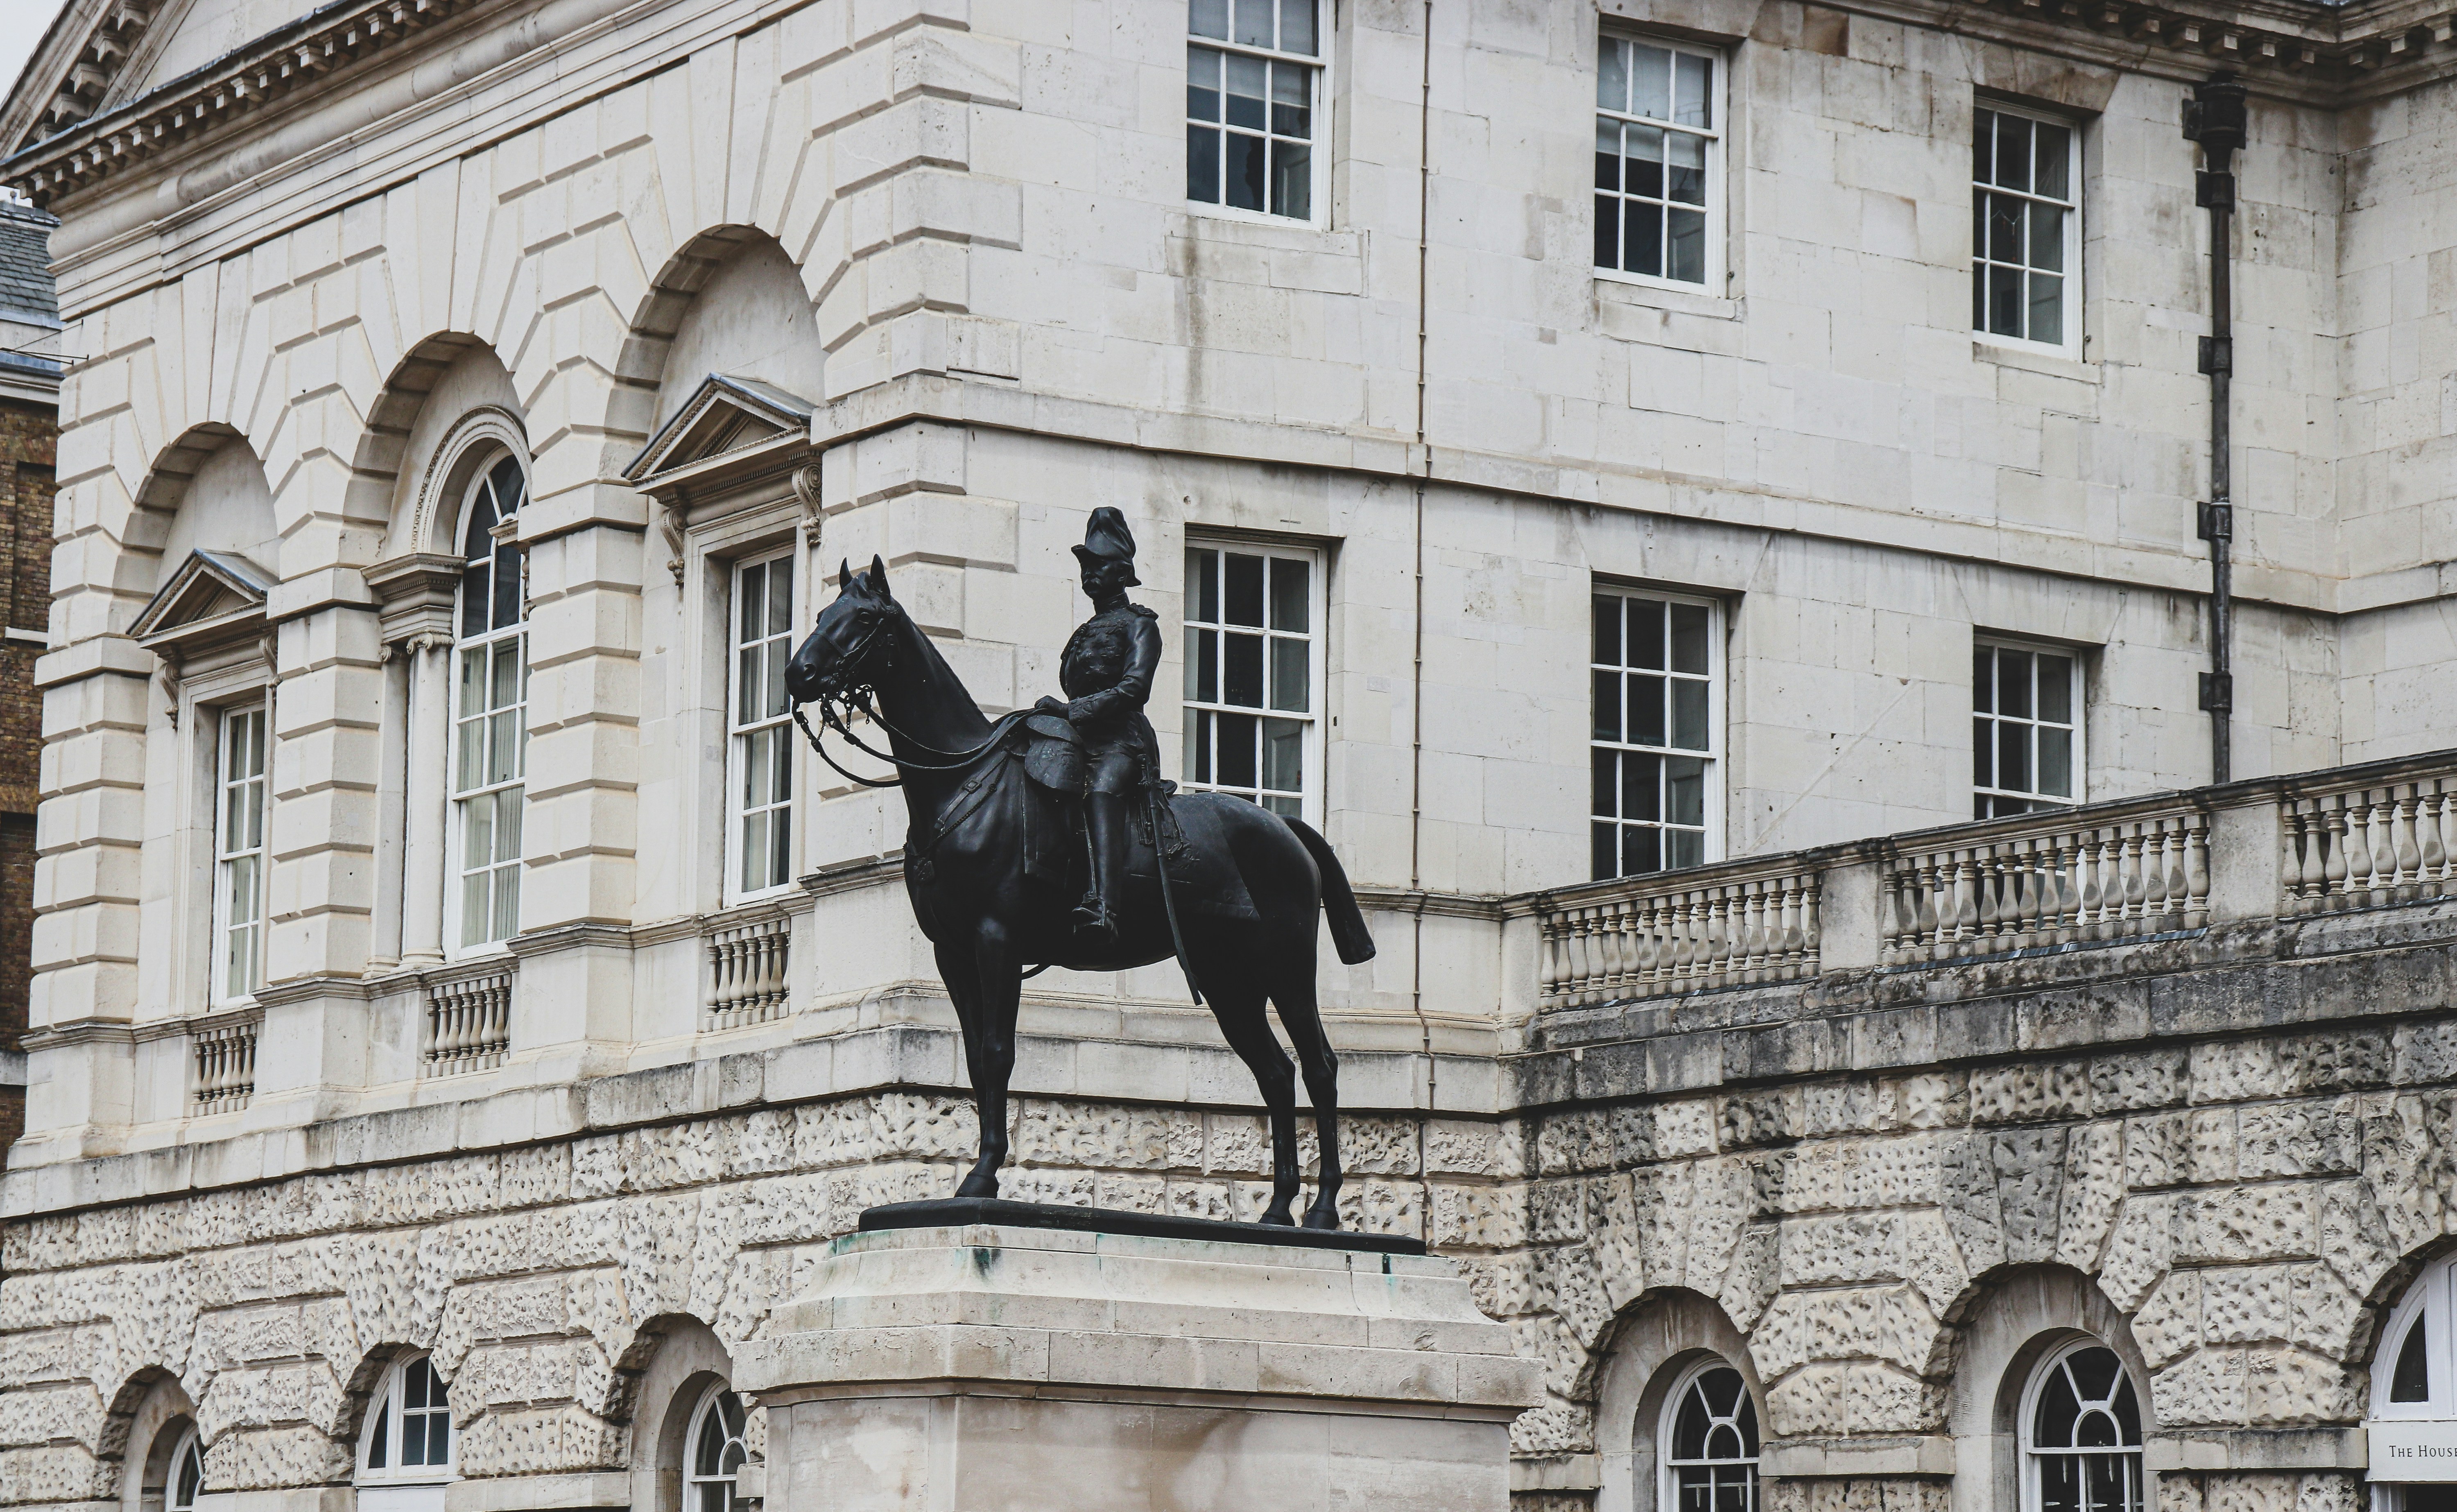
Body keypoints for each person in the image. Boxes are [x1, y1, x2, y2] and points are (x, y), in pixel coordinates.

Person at [1045, 507, 1161, 945]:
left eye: (1099, 566)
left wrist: (1071, 712)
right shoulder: (1085, 630)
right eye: (1085, 567)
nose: (1090, 574)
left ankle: (1105, 905)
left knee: (1101, 790)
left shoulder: (1140, 626)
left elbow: (1135, 690)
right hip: (1077, 737)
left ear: (1123, 572)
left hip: (1122, 742)